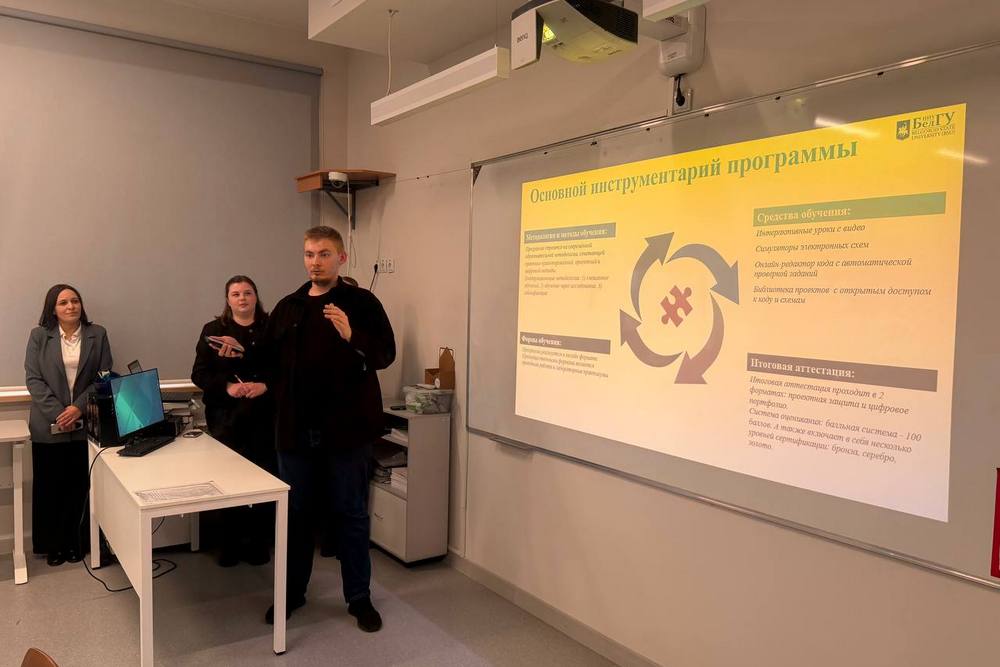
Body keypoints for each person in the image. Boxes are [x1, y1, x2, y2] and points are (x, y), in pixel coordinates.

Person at [263, 226, 395, 631]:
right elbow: (268, 361)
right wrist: (243, 360)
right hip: (296, 432)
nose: (315, 262)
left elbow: (385, 354)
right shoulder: (288, 307)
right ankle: (292, 593)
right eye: (309, 254)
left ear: (341, 258)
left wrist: (352, 334)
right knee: (296, 517)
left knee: (351, 514)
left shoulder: (363, 303)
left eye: (323, 254)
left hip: (347, 432)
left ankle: (359, 598)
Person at [192, 275, 277, 567]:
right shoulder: (213, 330)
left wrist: (264, 385)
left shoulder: (271, 328)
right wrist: (227, 387)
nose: (242, 298)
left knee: (262, 481)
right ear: (227, 299)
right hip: (226, 418)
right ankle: (229, 543)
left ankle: (258, 543)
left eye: (248, 293)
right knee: (227, 482)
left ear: (256, 297)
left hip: (264, 417)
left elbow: (283, 369)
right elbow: (199, 374)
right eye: (236, 294)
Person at [25, 284, 112, 566]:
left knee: (80, 487)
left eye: (75, 301)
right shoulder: (39, 336)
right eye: (63, 302)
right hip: (48, 424)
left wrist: (77, 409)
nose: (71, 306)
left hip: (85, 421)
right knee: (50, 488)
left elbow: (104, 376)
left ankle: (77, 543)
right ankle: (54, 546)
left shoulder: (97, 334)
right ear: (53, 309)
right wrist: (60, 413)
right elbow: (33, 379)